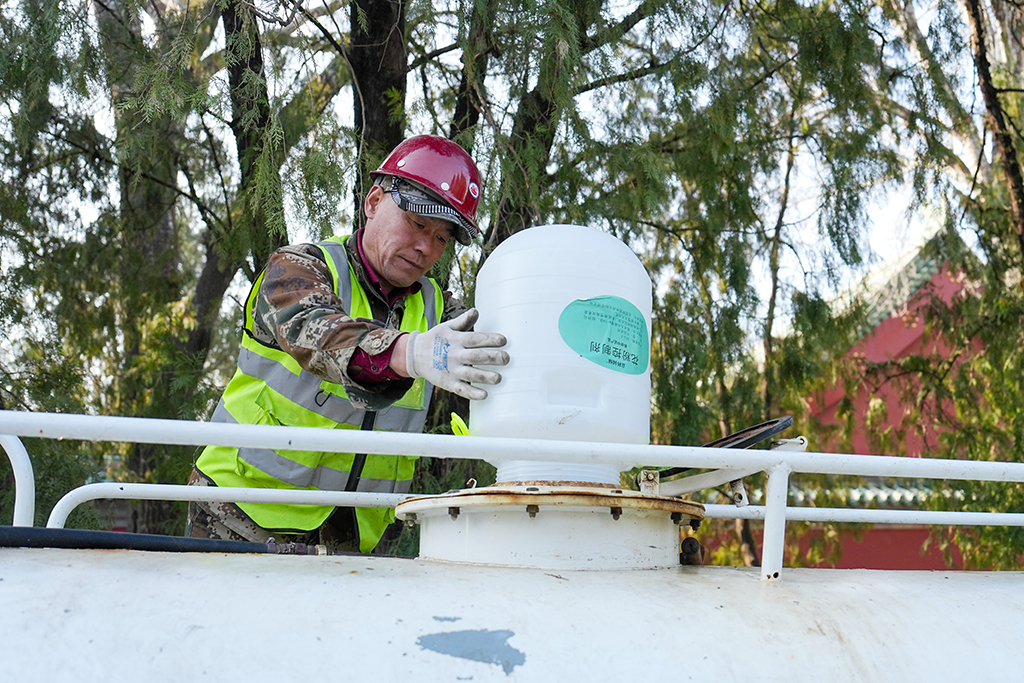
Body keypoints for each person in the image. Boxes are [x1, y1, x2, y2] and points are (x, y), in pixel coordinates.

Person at [185, 135, 509, 553]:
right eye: (417, 223)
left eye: (443, 238)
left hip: (351, 538)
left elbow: (501, 352)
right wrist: (408, 353)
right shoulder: (299, 268)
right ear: (374, 201)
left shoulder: (439, 310)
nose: (427, 247)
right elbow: (317, 331)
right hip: (240, 516)